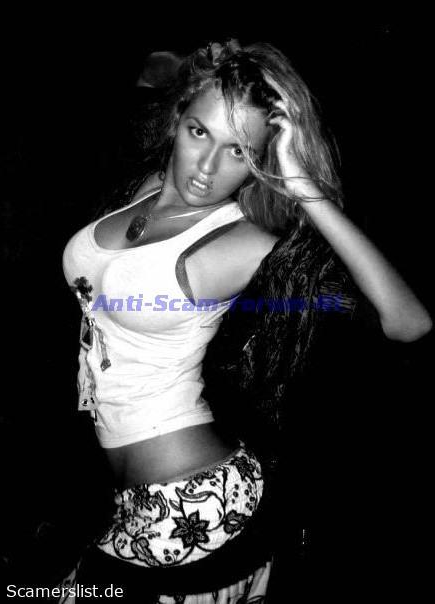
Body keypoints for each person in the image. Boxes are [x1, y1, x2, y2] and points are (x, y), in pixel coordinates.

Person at [61, 39, 432, 602]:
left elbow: (409, 322)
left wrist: (304, 187)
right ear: (178, 118)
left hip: (193, 502)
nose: (207, 169)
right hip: (125, 497)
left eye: (238, 151)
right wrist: (195, 67)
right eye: (199, 132)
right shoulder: (147, 188)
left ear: (261, 160)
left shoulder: (241, 241)